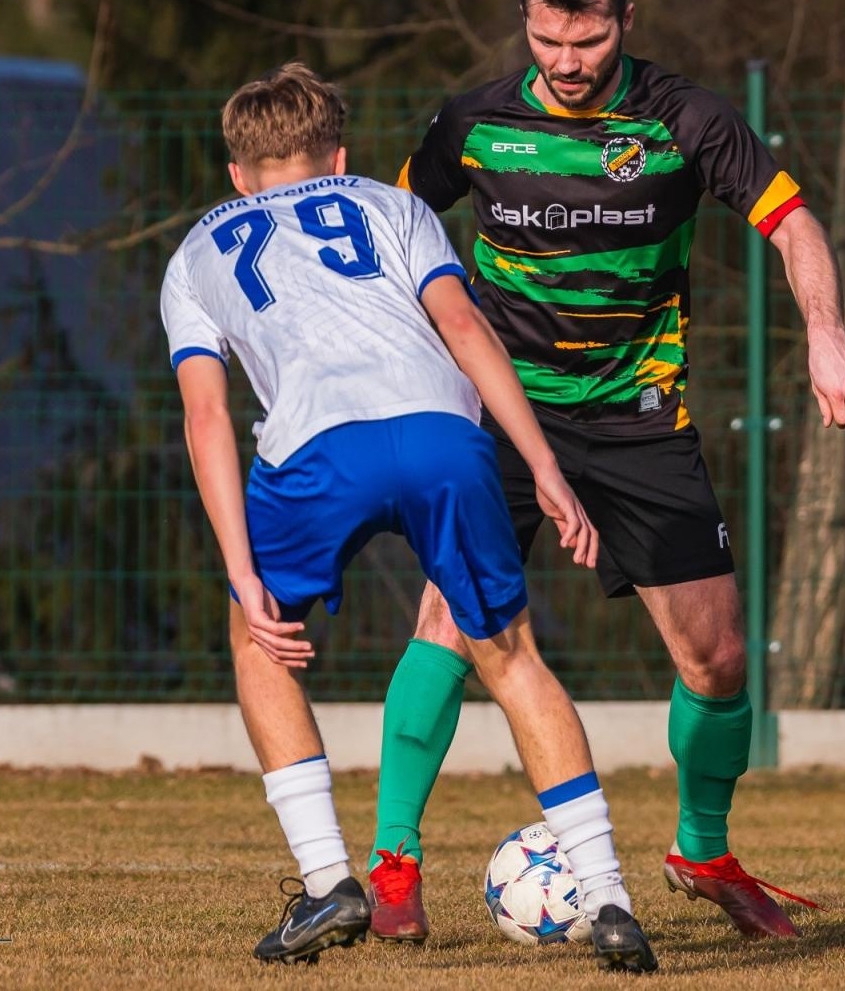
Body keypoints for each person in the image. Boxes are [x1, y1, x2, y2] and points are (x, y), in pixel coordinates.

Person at [384, 0, 845, 941]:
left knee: (719, 657)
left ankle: (702, 848)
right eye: (552, 38)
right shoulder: (472, 123)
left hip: (641, 417)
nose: (570, 61)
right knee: (449, 618)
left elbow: (792, 222)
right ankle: (394, 866)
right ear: (526, 21)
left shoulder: (686, 118)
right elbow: (395, 232)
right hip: (503, 416)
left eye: (591, 39)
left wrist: (825, 332)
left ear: (626, 23)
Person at [161, 62, 657, 972]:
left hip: (317, 455)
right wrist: (543, 464)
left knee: (258, 643)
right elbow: (466, 329)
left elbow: (206, 418)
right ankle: (612, 895)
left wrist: (240, 566)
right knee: (512, 656)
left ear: (237, 173)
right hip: (442, 437)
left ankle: (326, 882)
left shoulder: (196, 251)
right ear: (339, 156)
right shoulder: (394, 209)